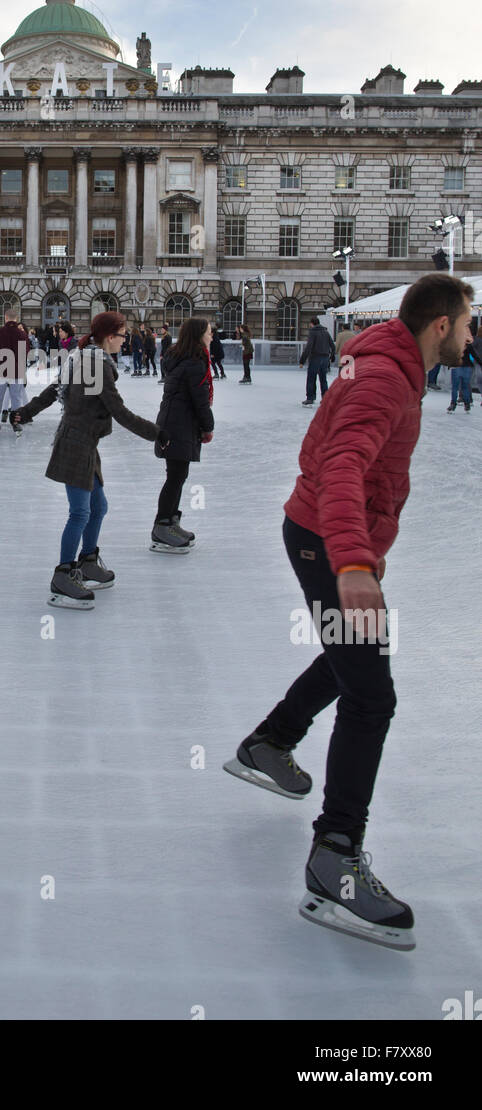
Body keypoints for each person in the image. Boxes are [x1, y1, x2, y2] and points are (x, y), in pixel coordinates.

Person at [223, 272, 474, 951]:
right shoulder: (387, 378)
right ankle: (335, 856)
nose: (474, 335)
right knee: (373, 695)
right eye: (469, 322)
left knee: (359, 656)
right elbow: (342, 464)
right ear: (442, 325)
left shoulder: (388, 362)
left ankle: (270, 742)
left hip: (325, 536)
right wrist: (353, 558)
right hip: (324, 541)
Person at [12, 311, 167, 608]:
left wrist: (27, 410)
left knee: (98, 507)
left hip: (83, 442)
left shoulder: (86, 358)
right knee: (80, 512)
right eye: (123, 336)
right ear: (110, 336)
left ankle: (88, 560)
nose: (125, 342)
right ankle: (64, 573)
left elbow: (55, 389)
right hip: (76, 443)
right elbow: (118, 411)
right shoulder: (95, 364)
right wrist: (157, 433)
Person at [152, 319, 215, 552]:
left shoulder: (183, 358)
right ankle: (162, 526)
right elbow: (200, 401)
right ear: (199, 335)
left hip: (175, 422)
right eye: (209, 333)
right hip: (179, 425)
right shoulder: (194, 363)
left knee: (178, 475)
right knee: (176, 476)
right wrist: (208, 427)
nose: (211, 336)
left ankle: (170, 522)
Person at [0, 309, 31, 433]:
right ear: (16, 318)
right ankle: (16, 422)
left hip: (1, 368)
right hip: (16, 369)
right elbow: (25, 352)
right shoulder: (22, 334)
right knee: (16, 397)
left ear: (6, 318)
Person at [300, 318, 336, 406]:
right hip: (325, 358)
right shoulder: (326, 332)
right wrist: (332, 356)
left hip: (315, 357)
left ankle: (310, 398)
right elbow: (332, 345)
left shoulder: (312, 332)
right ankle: (325, 398)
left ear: (312, 324)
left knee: (311, 379)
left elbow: (309, 347)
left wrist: (302, 360)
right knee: (323, 379)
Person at [446, 340, 474, 412]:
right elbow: (473, 355)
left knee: (455, 387)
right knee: (465, 386)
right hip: (467, 366)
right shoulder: (468, 344)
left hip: (456, 365)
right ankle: (467, 404)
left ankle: (453, 404)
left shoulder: (455, 343)